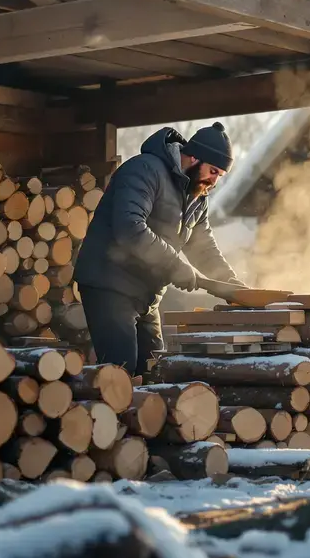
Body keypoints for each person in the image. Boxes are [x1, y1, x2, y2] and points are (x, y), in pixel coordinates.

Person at [74, 122, 243, 377]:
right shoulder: (144, 169)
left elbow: (203, 247)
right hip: (109, 285)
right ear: (195, 157)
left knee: (155, 371)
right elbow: (129, 229)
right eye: (213, 171)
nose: (214, 181)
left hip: (147, 295)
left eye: (219, 175)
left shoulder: (196, 195)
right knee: (122, 371)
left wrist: (231, 284)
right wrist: (176, 267)